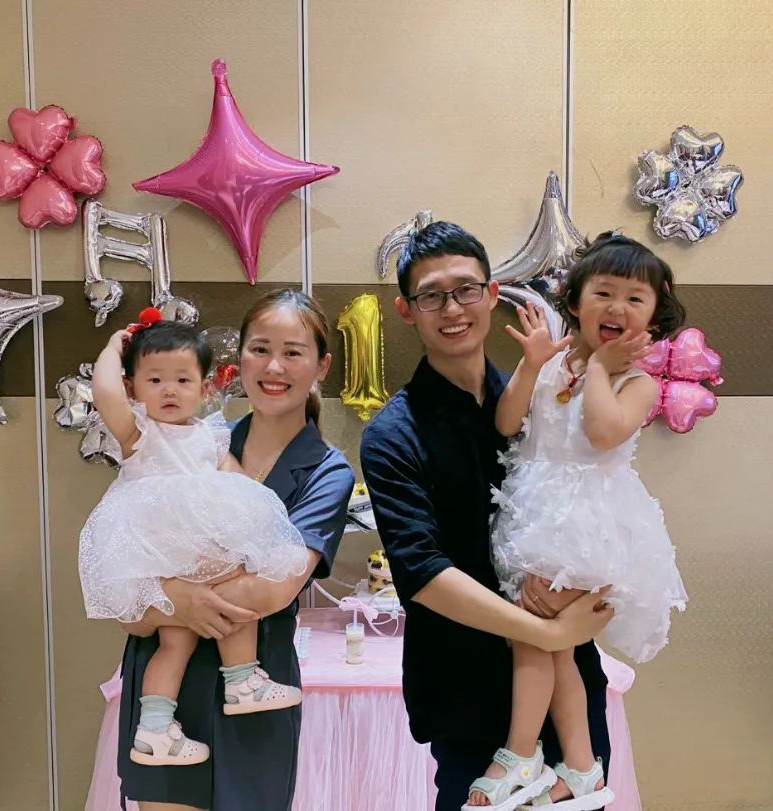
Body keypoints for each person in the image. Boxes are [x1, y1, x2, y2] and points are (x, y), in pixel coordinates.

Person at [360, 222, 614, 811]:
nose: (452, 309)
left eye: (466, 289)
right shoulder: (393, 434)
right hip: (467, 694)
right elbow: (421, 572)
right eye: (431, 295)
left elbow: (597, 504)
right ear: (406, 310)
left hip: (570, 691)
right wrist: (544, 631)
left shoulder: (546, 404)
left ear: (492, 293)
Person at [466, 232, 688, 810]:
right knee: (554, 646)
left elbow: (603, 432)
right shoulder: (553, 364)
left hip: (588, 528)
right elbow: (506, 424)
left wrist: (601, 371)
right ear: (574, 302)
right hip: (533, 515)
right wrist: (531, 365)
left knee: (531, 635)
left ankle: (518, 756)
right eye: (604, 293)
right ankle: (583, 766)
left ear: (654, 315)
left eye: (635, 298)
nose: (617, 307)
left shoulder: (638, 382)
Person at [115, 289, 354, 810]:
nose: (274, 366)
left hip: (252, 684)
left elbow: (273, 589)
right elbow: (127, 604)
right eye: (260, 349)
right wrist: (165, 601)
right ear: (238, 359)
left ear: (321, 366)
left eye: (293, 352)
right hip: (165, 696)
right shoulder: (188, 441)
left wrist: (174, 597)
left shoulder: (327, 472)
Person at [79, 307, 311, 767]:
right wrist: (112, 348)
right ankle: (236, 682)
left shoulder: (210, 436)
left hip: (194, 548)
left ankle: (158, 727)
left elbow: (239, 485)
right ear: (132, 388)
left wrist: (257, 526)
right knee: (224, 593)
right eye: (155, 380)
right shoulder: (140, 434)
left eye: (182, 380)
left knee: (180, 637)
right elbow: (104, 392)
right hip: (163, 549)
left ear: (205, 388)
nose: (169, 390)